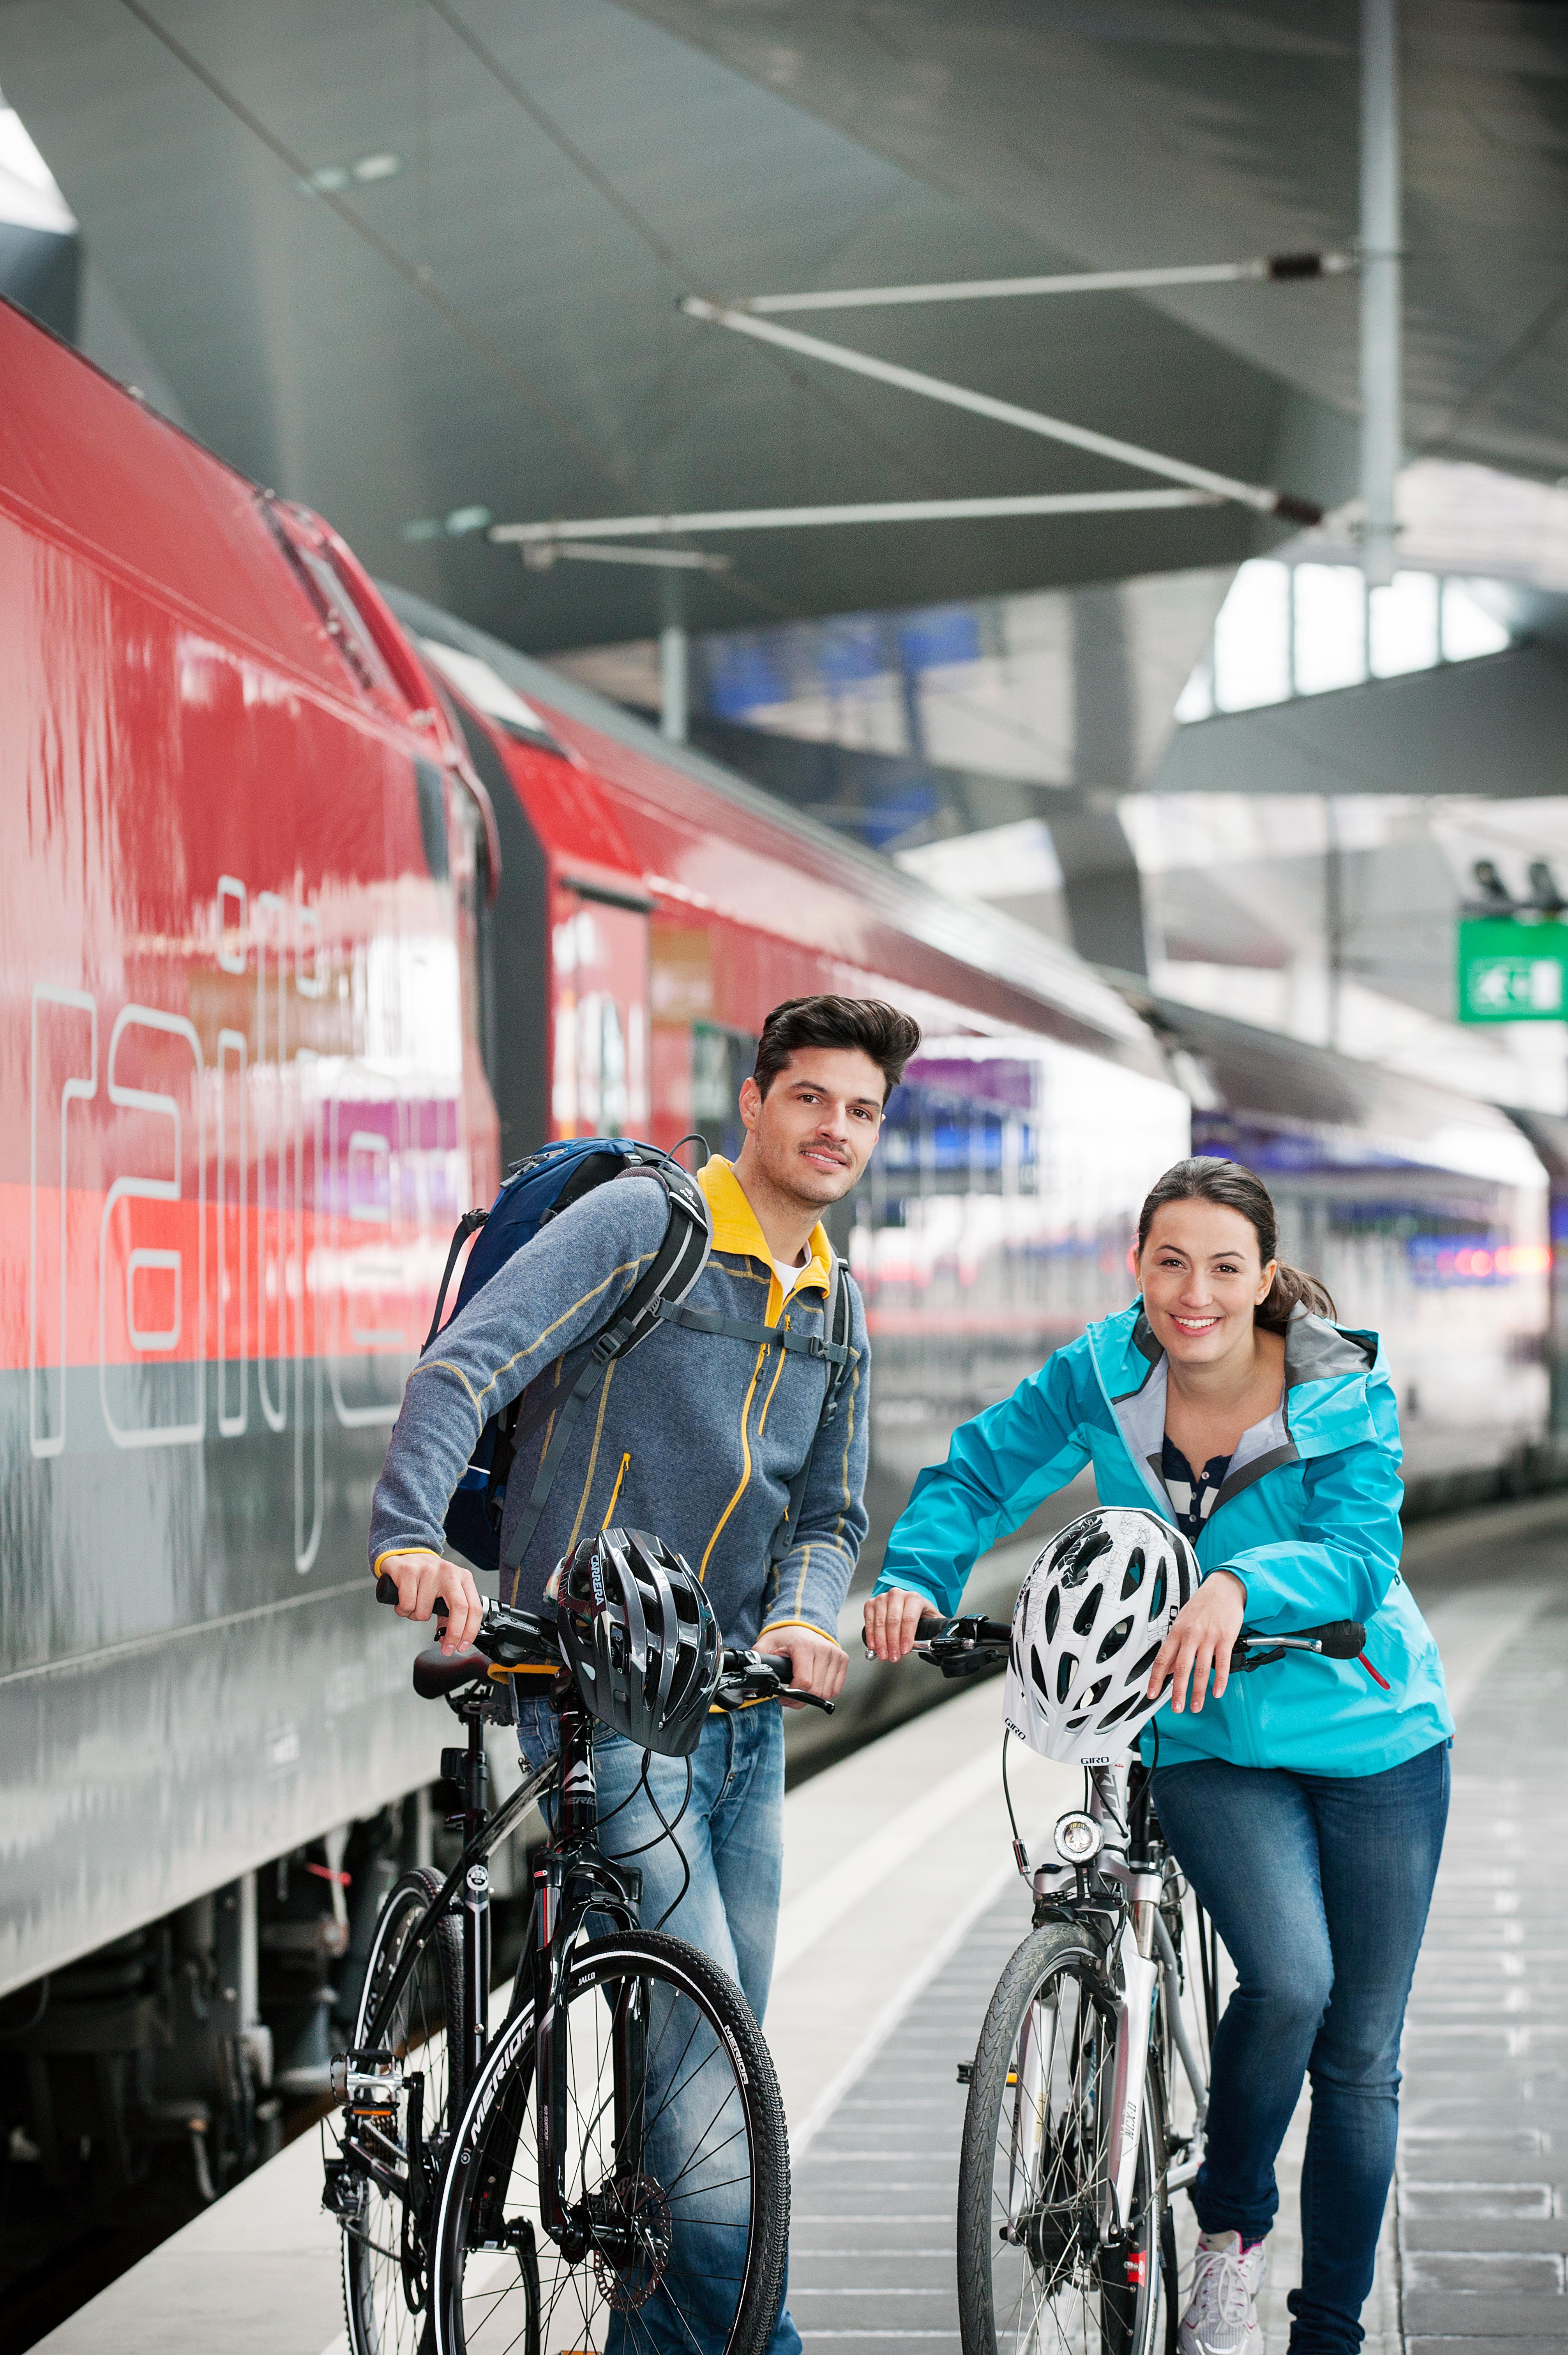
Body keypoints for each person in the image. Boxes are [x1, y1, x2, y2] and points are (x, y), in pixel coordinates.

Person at [371, 991, 920, 2355]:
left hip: (736, 1713)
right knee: (713, 2099)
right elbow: (463, 1366)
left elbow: (830, 1517)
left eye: (862, 1110)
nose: (835, 1129)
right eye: (812, 1098)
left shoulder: (833, 1297)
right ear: (755, 1101)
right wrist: (415, 1541)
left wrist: (804, 1618)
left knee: (716, 2068)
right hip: (606, 1695)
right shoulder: (650, 1229)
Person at [865, 1155, 1452, 2355]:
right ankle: (1229, 2232)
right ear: (1137, 1266)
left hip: (1373, 1730)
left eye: (1224, 1266)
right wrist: (915, 1577)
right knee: (1289, 1979)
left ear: (1266, 1277)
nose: (1195, 1292)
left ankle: (1328, 2332)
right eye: (1170, 1262)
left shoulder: (1343, 1390)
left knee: (1358, 2056)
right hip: (1204, 1733)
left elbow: (1359, 1553)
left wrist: (1239, 1580)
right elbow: (981, 1468)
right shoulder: (1101, 1370)